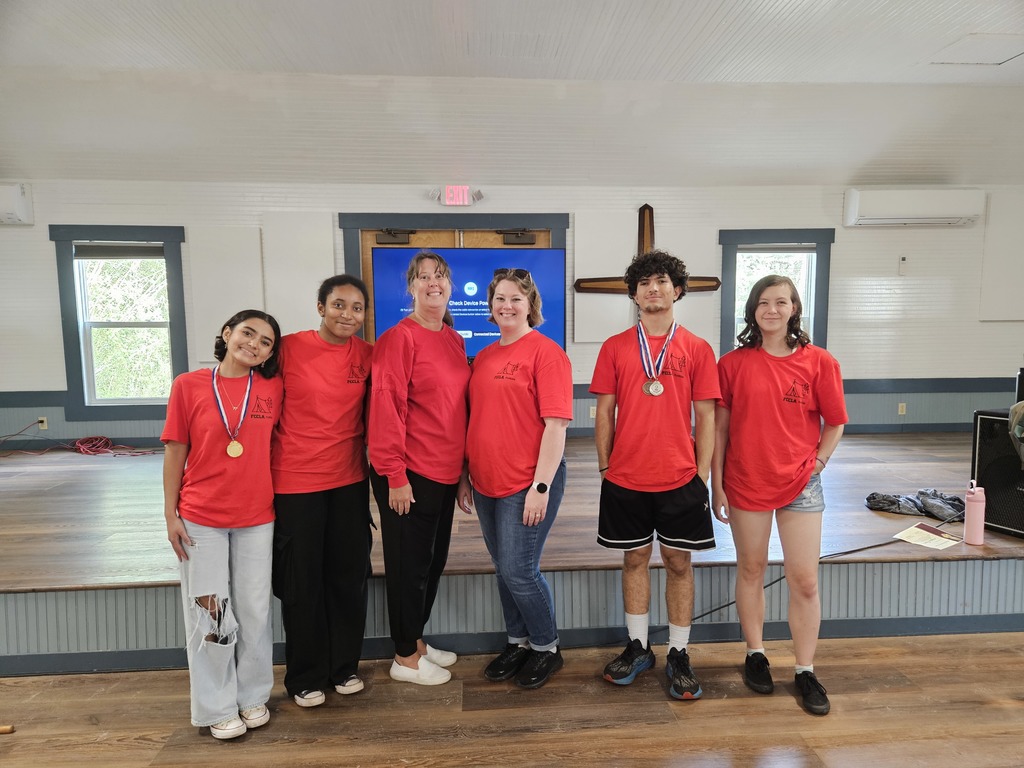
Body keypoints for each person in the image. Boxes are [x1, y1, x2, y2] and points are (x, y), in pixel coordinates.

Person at [711, 274, 847, 716]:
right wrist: (718, 483)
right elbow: (721, 430)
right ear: (752, 309)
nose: (772, 309)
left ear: (794, 309)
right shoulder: (731, 364)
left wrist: (819, 464)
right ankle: (755, 653)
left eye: (781, 302)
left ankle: (805, 669)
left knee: (804, 579)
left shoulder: (819, 362)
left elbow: (835, 422)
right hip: (746, 479)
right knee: (751, 568)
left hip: (801, 482)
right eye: (764, 302)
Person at [590, 249, 719, 700]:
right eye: (644, 282)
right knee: (633, 559)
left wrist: (699, 474)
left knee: (680, 563)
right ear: (634, 294)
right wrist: (606, 465)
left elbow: (706, 417)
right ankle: (639, 645)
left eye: (661, 280)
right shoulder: (614, 347)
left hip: (680, 478)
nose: (652, 288)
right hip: (625, 477)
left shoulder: (698, 349)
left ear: (677, 290)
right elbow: (603, 411)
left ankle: (679, 652)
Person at [162, 309, 283, 740]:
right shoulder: (189, 385)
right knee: (211, 612)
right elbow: (175, 449)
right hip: (201, 518)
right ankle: (216, 705)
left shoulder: (272, 388)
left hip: (256, 517)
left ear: (271, 353)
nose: (254, 344)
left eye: (265, 341)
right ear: (227, 333)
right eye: (247, 333)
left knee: (254, 611)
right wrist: (170, 512)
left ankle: (252, 695)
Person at [459, 268, 573, 689]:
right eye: (500, 299)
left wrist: (540, 487)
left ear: (531, 306)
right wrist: (465, 475)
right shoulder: (485, 356)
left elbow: (556, 426)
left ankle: (547, 647)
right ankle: (518, 641)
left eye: (516, 299)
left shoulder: (546, 353)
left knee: (520, 569)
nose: (506, 306)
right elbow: (478, 419)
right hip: (486, 480)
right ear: (490, 306)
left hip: (527, 481)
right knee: (502, 568)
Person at [271, 275, 374, 709]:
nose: (347, 314)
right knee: (303, 583)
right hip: (295, 484)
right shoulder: (288, 348)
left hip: (349, 482)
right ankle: (305, 675)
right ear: (320, 307)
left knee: (349, 578)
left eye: (356, 308)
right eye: (338, 305)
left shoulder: (368, 355)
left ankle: (344, 666)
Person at [368, 250, 471, 686]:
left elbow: (456, 409)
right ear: (410, 287)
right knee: (408, 566)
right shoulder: (399, 338)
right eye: (423, 276)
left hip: (445, 471)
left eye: (441, 276)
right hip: (408, 472)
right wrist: (394, 474)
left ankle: (416, 640)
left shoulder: (453, 338)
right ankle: (404, 658)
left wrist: (464, 472)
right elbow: (386, 406)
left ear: (449, 286)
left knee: (431, 561)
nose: (434, 282)